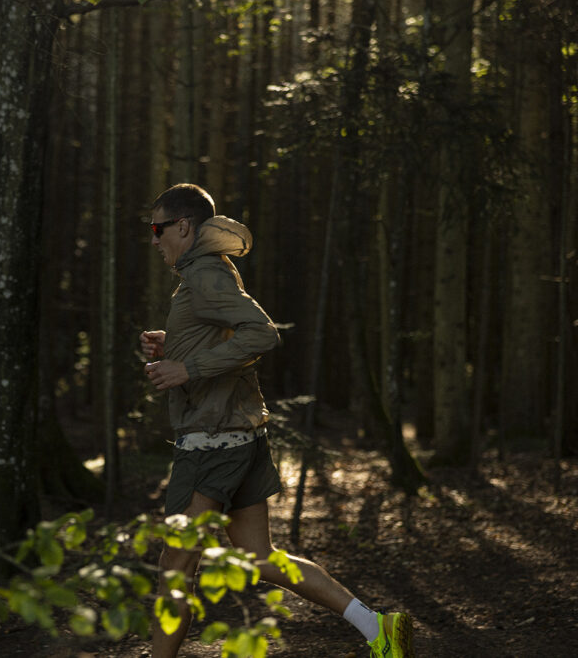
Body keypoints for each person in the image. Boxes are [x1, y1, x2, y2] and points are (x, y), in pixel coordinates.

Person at [140, 183, 413, 658]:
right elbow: (227, 333)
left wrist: (189, 367)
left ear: (182, 226)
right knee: (262, 558)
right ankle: (378, 628)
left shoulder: (204, 273)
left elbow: (262, 334)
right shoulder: (206, 270)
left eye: (157, 228)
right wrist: (177, 344)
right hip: (238, 435)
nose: (154, 239)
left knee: (175, 569)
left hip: (211, 441)